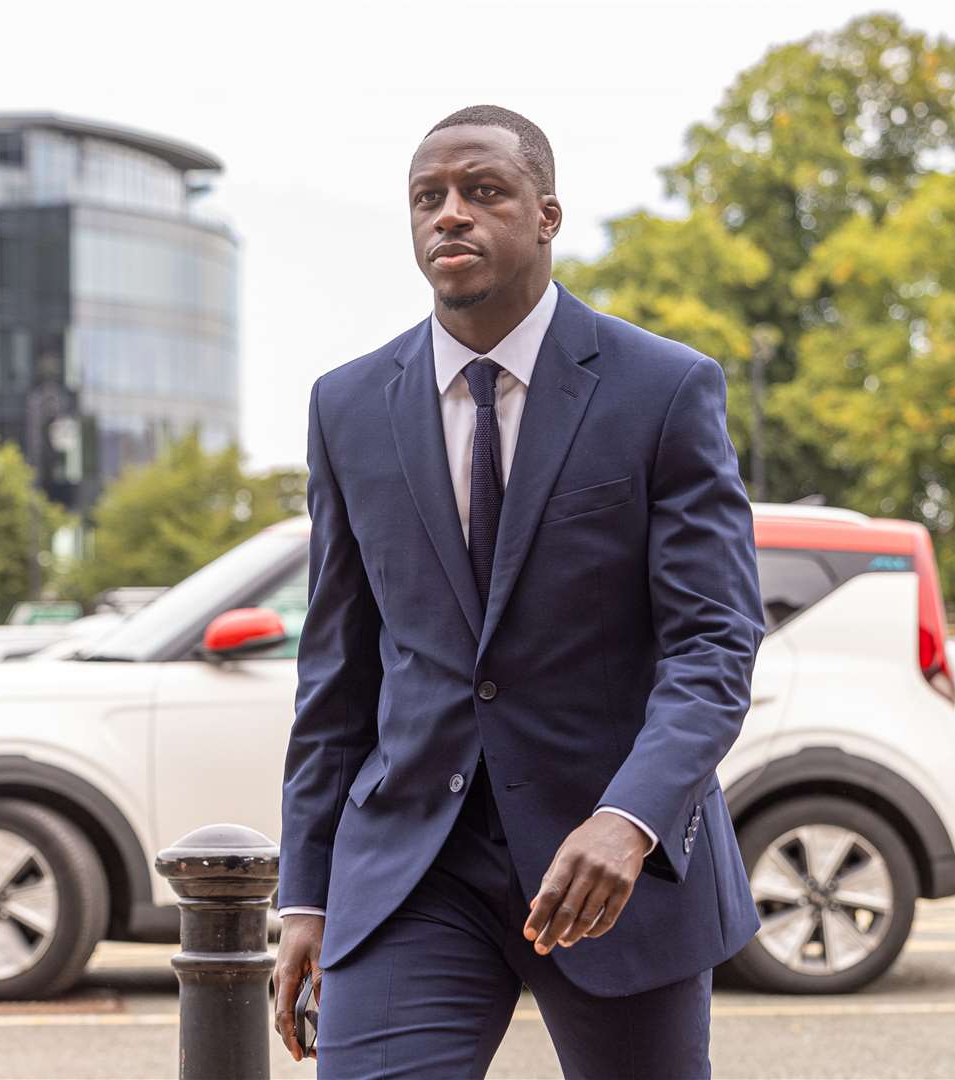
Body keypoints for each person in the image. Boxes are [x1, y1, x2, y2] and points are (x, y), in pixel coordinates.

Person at [273, 104, 764, 1079]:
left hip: (611, 868)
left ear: (546, 215)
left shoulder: (663, 390)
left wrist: (631, 818)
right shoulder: (347, 406)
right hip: (416, 865)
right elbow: (337, 668)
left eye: (482, 191)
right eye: (429, 198)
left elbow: (713, 644)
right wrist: (308, 893)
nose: (450, 214)